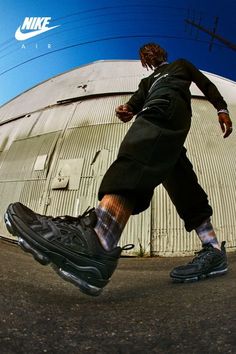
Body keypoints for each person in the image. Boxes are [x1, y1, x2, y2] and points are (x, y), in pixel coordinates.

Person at [5, 43, 233, 296]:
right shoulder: (147, 82)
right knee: (179, 177)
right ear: (144, 62)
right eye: (145, 54)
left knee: (142, 143)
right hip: (156, 113)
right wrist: (126, 110)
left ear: (162, 53)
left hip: (167, 110)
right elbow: (133, 105)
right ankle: (212, 250)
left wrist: (221, 109)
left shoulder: (181, 65)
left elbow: (206, 85)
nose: (149, 55)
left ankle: (100, 239)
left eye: (152, 51)